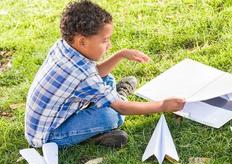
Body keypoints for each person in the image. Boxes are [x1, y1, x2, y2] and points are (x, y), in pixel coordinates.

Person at [25, 0, 185, 148]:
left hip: (52, 118)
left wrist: (120, 54)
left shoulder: (63, 46)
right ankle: (113, 106)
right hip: (49, 136)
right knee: (111, 116)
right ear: (82, 41)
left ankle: (112, 97)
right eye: (104, 41)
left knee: (105, 78)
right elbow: (122, 108)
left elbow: (95, 73)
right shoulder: (82, 74)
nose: (109, 45)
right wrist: (162, 105)